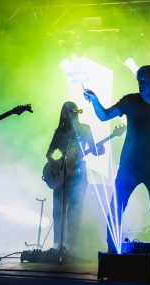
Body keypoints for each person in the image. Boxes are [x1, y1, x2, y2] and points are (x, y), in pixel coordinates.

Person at [83, 65, 150, 273]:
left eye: (144, 81)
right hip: (129, 165)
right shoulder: (131, 101)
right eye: (138, 81)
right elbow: (104, 116)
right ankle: (112, 250)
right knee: (116, 206)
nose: (140, 84)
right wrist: (94, 100)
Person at [45, 101, 104, 256]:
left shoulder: (84, 129)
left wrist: (101, 150)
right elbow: (48, 154)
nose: (68, 114)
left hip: (78, 173)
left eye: (70, 111)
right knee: (58, 211)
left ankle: (72, 247)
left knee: (74, 211)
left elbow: (93, 150)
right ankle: (57, 245)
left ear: (76, 112)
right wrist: (55, 166)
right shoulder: (60, 132)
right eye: (65, 111)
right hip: (61, 172)